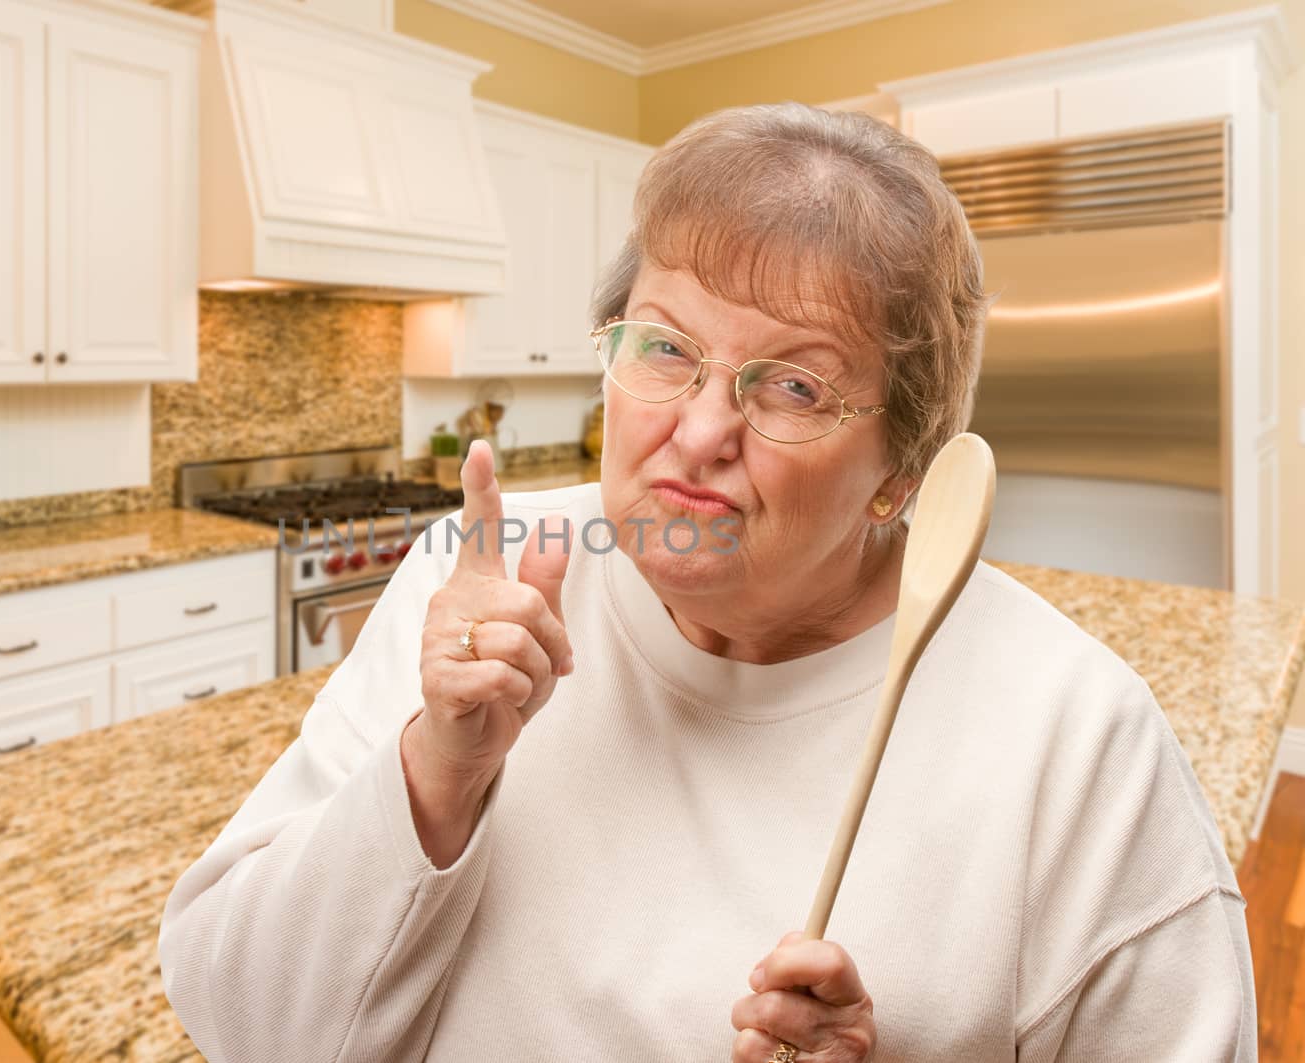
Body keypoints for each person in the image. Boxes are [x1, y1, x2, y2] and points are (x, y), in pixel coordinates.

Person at [159, 102, 1255, 1062]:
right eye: (665, 349)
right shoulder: (482, 574)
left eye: (789, 385)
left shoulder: (1073, 737)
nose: (698, 429)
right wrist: (437, 770)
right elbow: (244, 1019)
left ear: (900, 473)